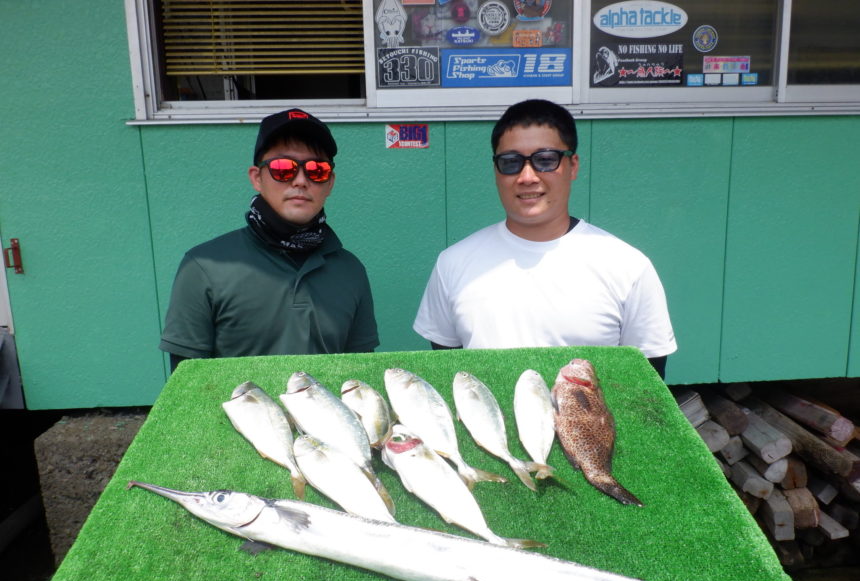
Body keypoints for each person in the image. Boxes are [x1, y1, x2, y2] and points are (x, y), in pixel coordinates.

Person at [413, 99, 676, 377]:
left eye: (546, 160)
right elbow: (450, 371)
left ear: (572, 166)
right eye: (511, 162)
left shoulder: (627, 266)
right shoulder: (453, 263)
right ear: (496, 171)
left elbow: (647, 387)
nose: (527, 176)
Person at [160, 108, 379, 370]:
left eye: (316, 170)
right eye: (283, 168)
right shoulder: (203, 266)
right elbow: (186, 387)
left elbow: (360, 375)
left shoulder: (350, 270)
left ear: (329, 183)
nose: (300, 180)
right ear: (257, 178)